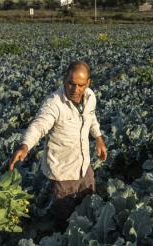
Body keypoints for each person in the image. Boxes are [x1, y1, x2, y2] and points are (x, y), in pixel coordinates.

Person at [9, 60, 107, 228]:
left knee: (89, 209)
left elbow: (91, 118)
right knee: (65, 221)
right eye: (71, 84)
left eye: (81, 85)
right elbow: (39, 125)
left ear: (88, 83)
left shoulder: (90, 97)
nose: (76, 90)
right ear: (64, 80)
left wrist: (98, 138)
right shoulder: (54, 104)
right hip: (63, 173)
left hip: (84, 167)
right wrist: (25, 145)